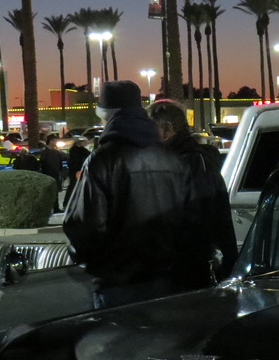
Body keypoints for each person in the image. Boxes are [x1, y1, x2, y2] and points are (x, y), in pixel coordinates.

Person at [63, 79, 220, 309]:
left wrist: (102, 267)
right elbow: (191, 220)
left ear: (107, 116)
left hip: (119, 286)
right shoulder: (172, 159)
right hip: (170, 284)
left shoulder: (102, 160)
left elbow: (83, 226)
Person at [148, 98, 237, 281]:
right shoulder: (194, 160)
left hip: (187, 271)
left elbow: (198, 218)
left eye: (150, 130)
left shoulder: (189, 163)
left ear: (166, 129)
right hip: (187, 267)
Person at [63, 136, 91, 208]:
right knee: (73, 186)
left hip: (77, 171)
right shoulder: (78, 151)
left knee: (74, 186)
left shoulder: (76, 150)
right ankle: (68, 203)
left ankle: (69, 202)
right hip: (77, 171)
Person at [38, 140, 65, 211]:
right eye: (54, 140)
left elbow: (63, 158)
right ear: (50, 141)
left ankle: (56, 207)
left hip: (55, 173)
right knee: (49, 192)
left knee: (55, 192)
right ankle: (50, 207)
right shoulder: (45, 152)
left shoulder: (56, 152)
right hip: (48, 173)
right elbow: (42, 163)